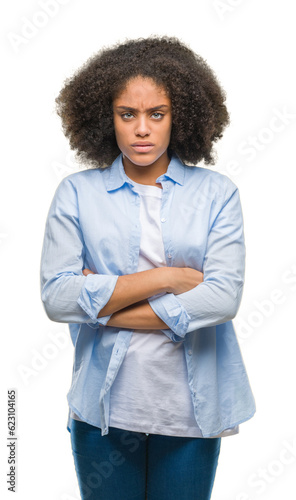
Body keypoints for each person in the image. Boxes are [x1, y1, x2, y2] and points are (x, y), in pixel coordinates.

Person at [40, 36, 256, 500]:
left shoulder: (217, 194)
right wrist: (168, 279)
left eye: (156, 114)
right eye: (127, 114)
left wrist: (101, 306)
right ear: (106, 118)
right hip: (102, 410)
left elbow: (222, 297)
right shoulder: (76, 193)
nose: (142, 129)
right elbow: (57, 297)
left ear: (179, 118)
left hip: (191, 413)